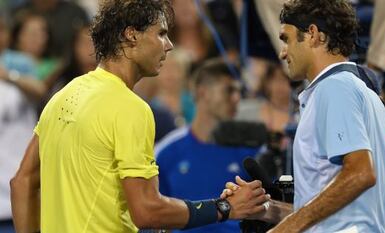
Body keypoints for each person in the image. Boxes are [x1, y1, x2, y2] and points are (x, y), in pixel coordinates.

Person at [9, 1, 270, 233]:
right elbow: (147, 211)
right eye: (162, 34)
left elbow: (22, 182)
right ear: (131, 35)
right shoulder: (130, 107)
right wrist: (225, 207)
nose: (169, 45)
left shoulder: (62, 97)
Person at [223, 0, 385, 232]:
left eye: (286, 39)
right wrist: (266, 209)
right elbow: (330, 212)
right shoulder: (361, 92)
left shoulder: (335, 88)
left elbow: (361, 174)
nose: (282, 53)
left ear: (313, 34)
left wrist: (286, 229)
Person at [155, 58, 261, 233]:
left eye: (238, 91)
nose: (236, 98)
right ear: (202, 93)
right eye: (229, 90)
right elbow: (156, 214)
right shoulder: (166, 152)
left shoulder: (251, 151)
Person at [0, 13, 44, 233]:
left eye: (2, 30)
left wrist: (8, 76)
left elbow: (39, 90)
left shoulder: (19, 62)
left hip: (19, 185)